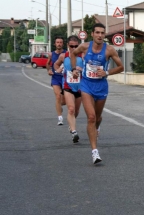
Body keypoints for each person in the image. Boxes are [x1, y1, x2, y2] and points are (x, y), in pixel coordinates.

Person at [70, 23, 124, 164]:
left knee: (98, 117)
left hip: (101, 87)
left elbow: (121, 67)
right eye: (97, 33)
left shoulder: (109, 50)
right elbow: (73, 54)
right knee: (91, 117)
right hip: (86, 85)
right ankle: (95, 152)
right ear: (92, 34)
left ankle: (98, 126)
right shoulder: (84, 47)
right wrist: (76, 68)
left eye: (102, 33)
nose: (100, 35)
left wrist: (106, 72)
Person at [53, 35, 84, 143]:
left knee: (76, 111)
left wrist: (81, 70)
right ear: (68, 45)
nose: (74, 48)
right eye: (71, 46)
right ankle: (74, 132)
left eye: (76, 46)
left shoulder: (82, 56)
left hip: (80, 87)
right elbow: (55, 65)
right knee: (71, 109)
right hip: (67, 86)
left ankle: (71, 125)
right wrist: (59, 70)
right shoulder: (63, 56)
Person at [46, 36, 67, 125]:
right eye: (57, 42)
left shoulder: (67, 53)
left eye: (60, 42)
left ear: (63, 44)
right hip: (55, 78)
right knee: (58, 96)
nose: (59, 44)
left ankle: (59, 106)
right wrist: (49, 70)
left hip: (65, 78)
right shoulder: (51, 54)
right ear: (55, 44)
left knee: (64, 101)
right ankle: (60, 118)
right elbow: (48, 64)